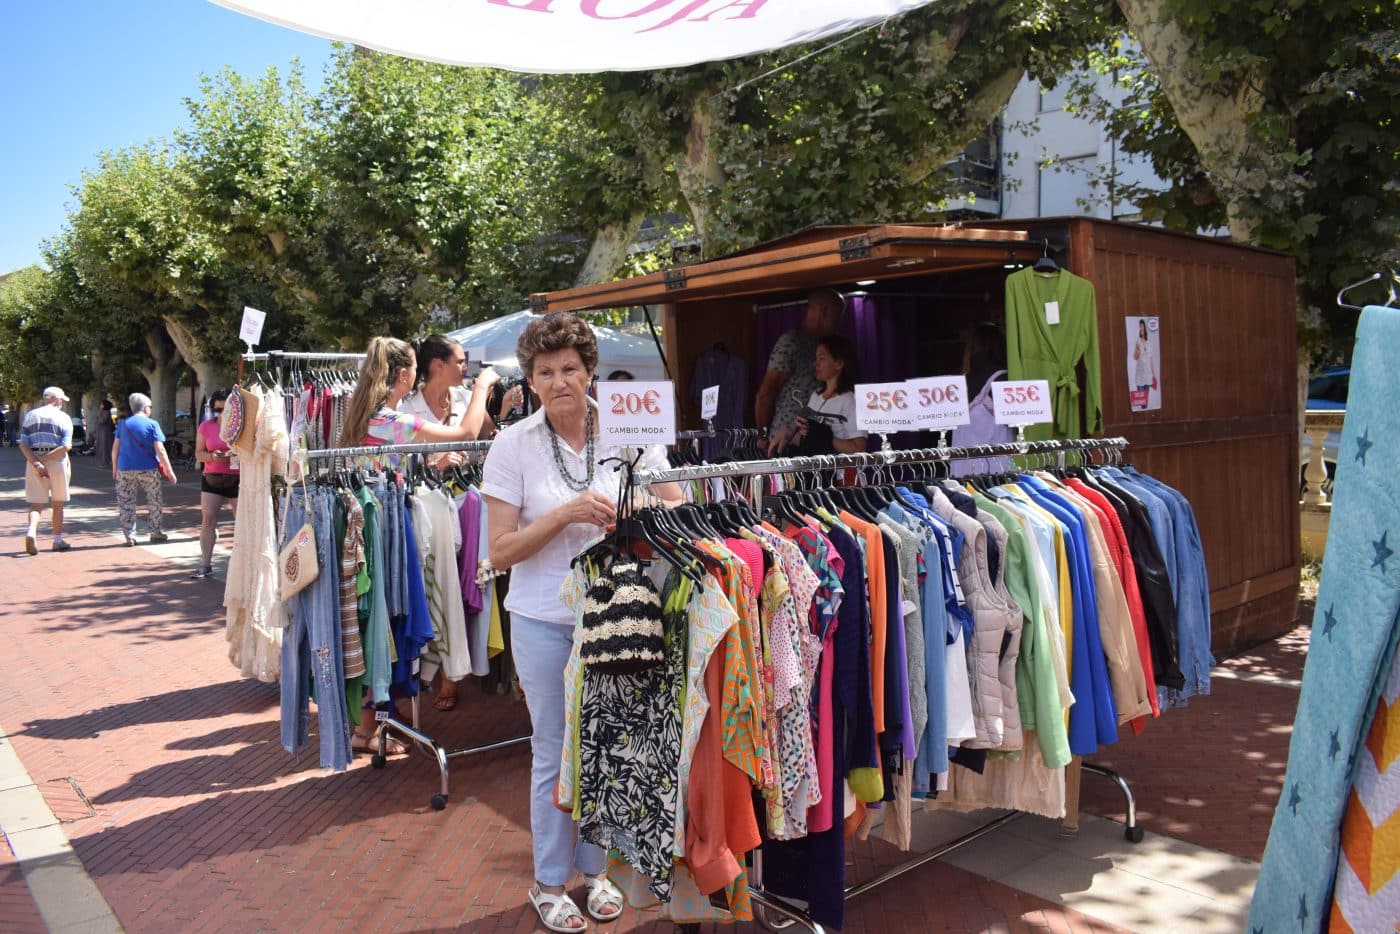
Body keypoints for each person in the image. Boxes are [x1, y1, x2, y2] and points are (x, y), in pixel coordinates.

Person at [482, 312, 681, 933]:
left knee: (611, 745)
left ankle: (595, 872)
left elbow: (677, 505)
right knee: (553, 749)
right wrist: (566, 513)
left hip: (622, 614)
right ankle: (549, 882)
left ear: (589, 370)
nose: (559, 380)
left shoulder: (630, 425)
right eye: (545, 371)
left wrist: (630, 507)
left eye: (569, 367)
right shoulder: (511, 444)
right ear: (531, 381)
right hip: (543, 619)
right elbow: (500, 551)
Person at [339, 336, 492, 756]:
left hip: (371, 526)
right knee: (388, 622)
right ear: (405, 375)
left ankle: (369, 723)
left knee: (379, 623)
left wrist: (425, 464)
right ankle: (368, 727)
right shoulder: (389, 418)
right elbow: (464, 432)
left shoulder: (361, 416)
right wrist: (481, 388)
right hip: (385, 529)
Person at [398, 334, 501, 710]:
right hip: (430, 507)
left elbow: (486, 434)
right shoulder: (409, 408)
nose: (465, 366)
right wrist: (434, 463)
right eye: (460, 360)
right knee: (440, 583)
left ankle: (459, 665)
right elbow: (399, 465)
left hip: (468, 500)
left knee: (465, 583)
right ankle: (446, 674)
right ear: (438, 365)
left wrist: (492, 404)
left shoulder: (462, 400)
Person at [755, 288, 844, 446]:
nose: (838, 323)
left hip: (816, 444)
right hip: (785, 443)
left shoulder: (827, 345)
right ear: (824, 312)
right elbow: (766, 394)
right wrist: (763, 437)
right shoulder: (791, 342)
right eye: (837, 317)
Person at [785, 335, 869, 455]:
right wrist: (788, 435)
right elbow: (807, 440)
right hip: (815, 471)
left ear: (838, 364)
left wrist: (820, 435)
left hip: (839, 472)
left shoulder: (850, 399)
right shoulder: (815, 396)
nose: (815, 364)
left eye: (821, 358)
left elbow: (858, 448)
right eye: (816, 359)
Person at [113, 393, 176, 546]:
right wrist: (169, 470)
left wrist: (114, 468)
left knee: (126, 502)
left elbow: (115, 449)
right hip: (148, 468)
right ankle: (155, 531)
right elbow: (160, 449)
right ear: (146, 408)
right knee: (154, 500)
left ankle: (129, 535)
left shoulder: (122, 424)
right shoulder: (152, 424)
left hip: (125, 467)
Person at [18, 386, 75, 554]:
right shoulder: (63, 417)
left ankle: (31, 532)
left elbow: (23, 444)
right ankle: (57, 539)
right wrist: (45, 460)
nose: (62, 403)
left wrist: (36, 463)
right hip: (57, 461)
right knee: (58, 503)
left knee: (36, 504)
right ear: (56, 399)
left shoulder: (30, 416)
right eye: (61, 400)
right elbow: (66, 446)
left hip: (33, 461)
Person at [191, 390, 240, 579]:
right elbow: (198, 454)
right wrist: (212, 456)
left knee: (240, 522)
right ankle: (205, 563)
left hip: (237, 477)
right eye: (217, 409)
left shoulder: (240, 427)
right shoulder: (206, 427)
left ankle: (240, 564)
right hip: (212, 477)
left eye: (224, 409)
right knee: (208, 519)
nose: (220, 413)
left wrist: (235, 454)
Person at [1133, 318, 1158, 407]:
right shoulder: (1137, 341)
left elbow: (1151, 359)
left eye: (1142, 326)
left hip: (1148, 374)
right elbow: (1135, 357)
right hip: (1140, 373)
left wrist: (1154, 374)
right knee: (1141, 400)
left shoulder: (1149, 343)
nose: (1141, 328)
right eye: (1140, 326)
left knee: (1145, 403)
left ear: (1145, 328)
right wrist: (1137, 350)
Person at [93, 398, 117, 468]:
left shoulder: (106, 412)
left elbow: (102, 421)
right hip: (101, 432)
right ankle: (104, 461)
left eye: (101, 404)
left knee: (105, 447)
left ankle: (106, 461)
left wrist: (100, 414)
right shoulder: (104, 412)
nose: (100, 406)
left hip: (105, 433)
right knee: (102, 446)